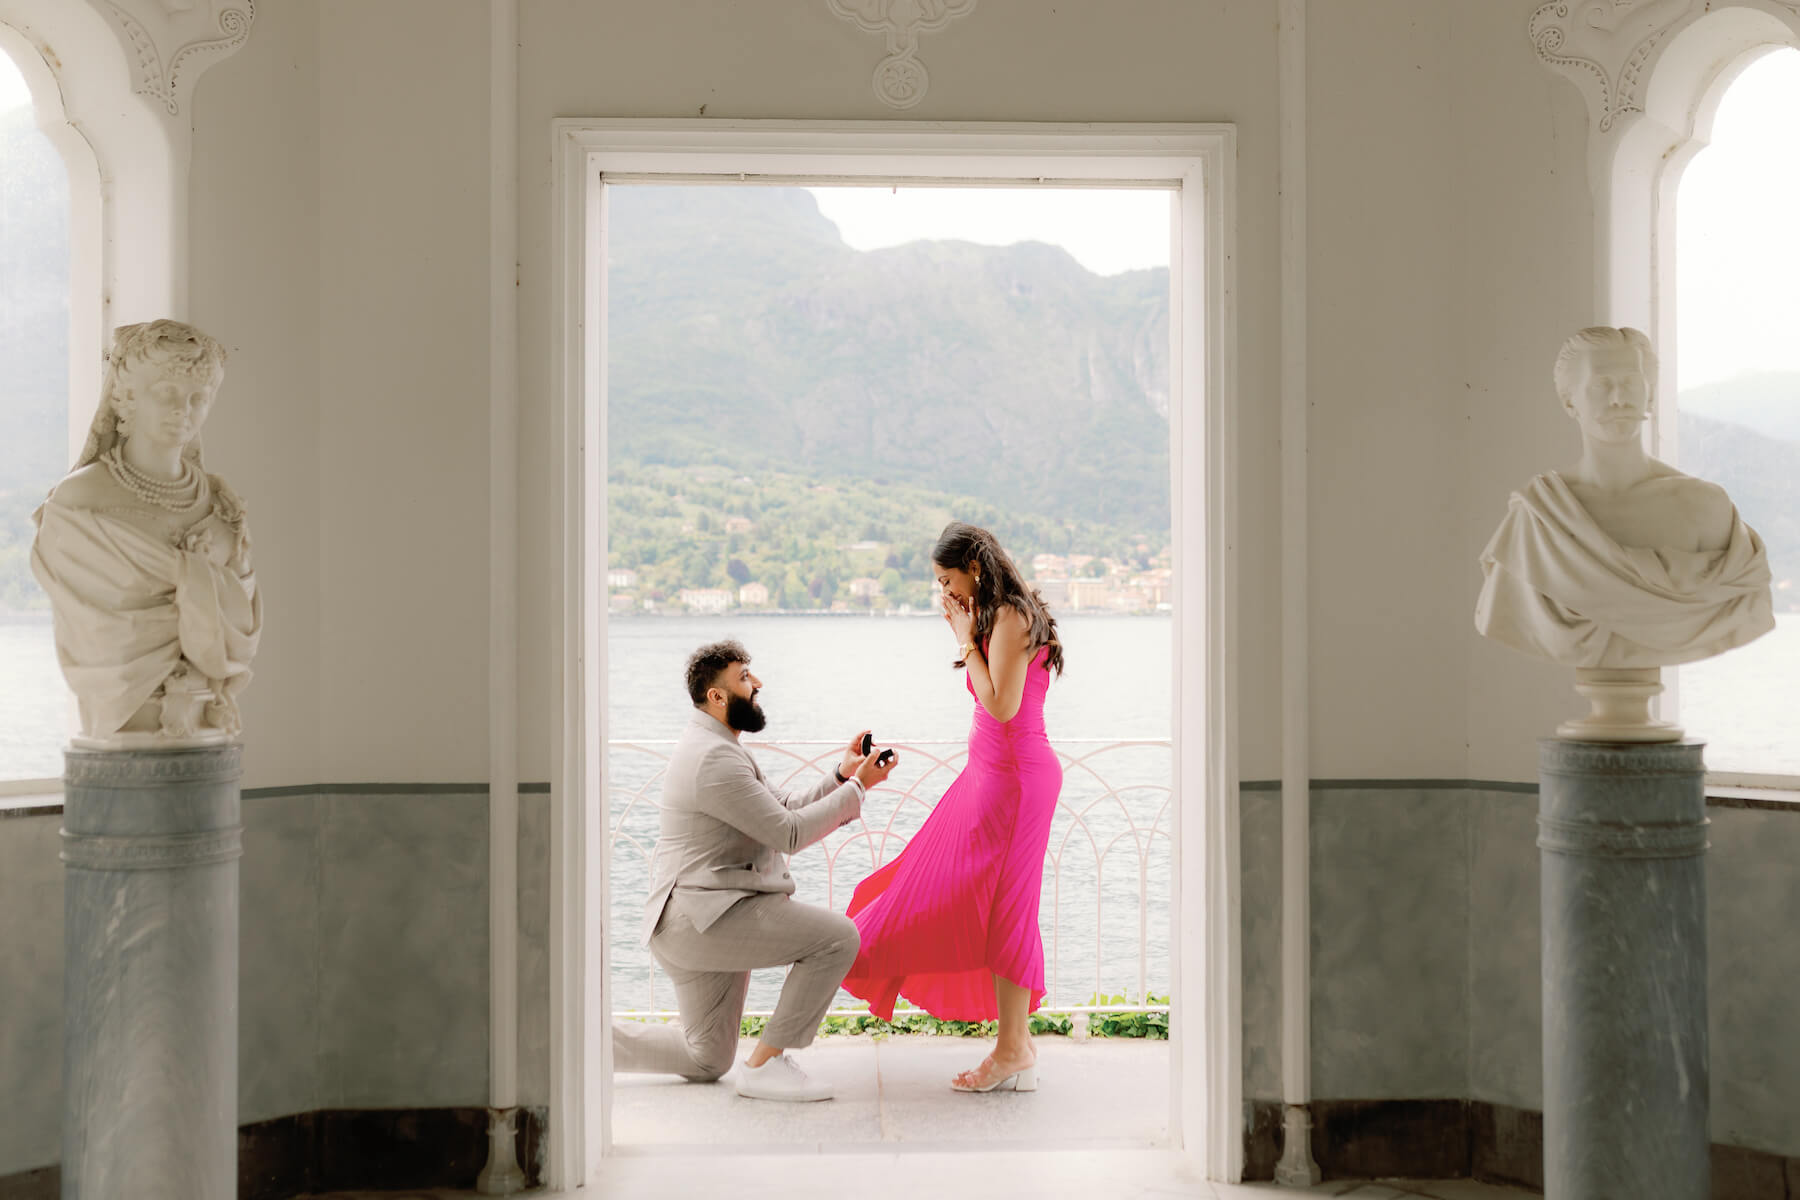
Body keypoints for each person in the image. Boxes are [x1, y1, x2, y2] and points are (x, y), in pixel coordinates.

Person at [612, 640, 899, 1101]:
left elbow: (778, 810)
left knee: (706, 1058)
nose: (758, 683)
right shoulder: (714, 757)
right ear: (717, 697)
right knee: (837, 938)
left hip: (694, 917)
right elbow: (787, 834)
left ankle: (588, 1042)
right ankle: (766, 1065)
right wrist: (861, 788)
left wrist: (842, 777)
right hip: (702, 919)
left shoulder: (716, 745)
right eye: (745, 677)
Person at [840, 521, 1065, 1093]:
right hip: (989, 778)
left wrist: (965, 639)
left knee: (1008, 909)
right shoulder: (998, 618)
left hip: (1013, 784)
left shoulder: (1011, 617)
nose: (944, 592)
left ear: (976, 569)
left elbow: (1004, 707)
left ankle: (1013, 1049)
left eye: (947, 579)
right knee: (945, 888)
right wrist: (968, 633)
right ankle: (1018, 1042)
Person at [1475, 326, 1772, 669]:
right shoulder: (1537, 520)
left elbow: (1745, 598)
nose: (1618, 398)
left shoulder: (1706, 508)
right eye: (1602, 385)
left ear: (1649, 396)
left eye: (1630, 382)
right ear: (1570, 401)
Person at [31, 320, 261, 745]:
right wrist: (197, 578)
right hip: (123, 725)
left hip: (206, 725)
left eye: (198, 398)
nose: (183, 410)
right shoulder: (79, 502)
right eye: (167, 393)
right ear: (128, 397)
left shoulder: (220, 503)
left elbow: (241, 616)